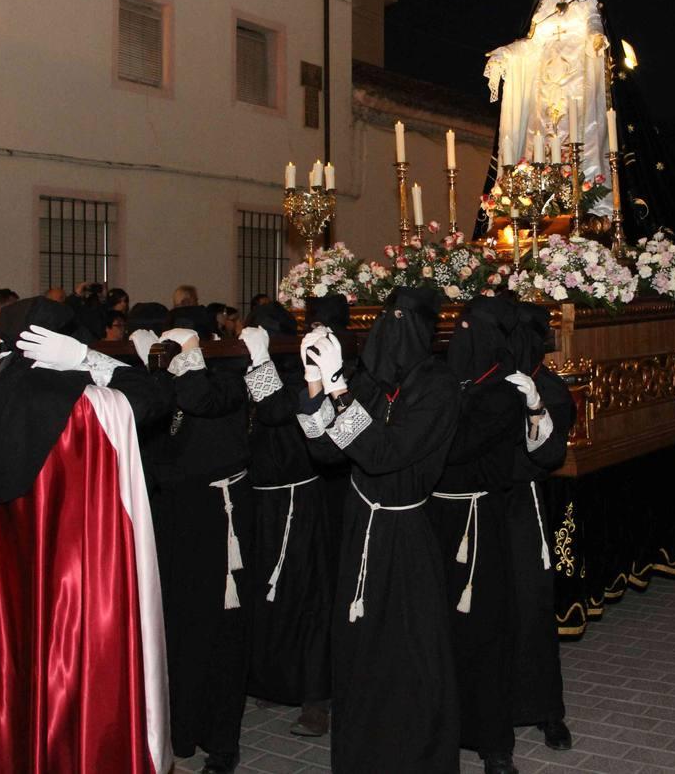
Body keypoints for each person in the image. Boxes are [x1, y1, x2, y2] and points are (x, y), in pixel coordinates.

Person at [0, 297, 172, 773]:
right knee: (72, 666)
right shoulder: (89, 408)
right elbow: (157, 400)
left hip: (11, 584)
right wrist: (90, 361)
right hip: (78, 583)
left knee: (18, 662)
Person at [297, 287, 461, 774]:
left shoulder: (438, 388)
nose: (393, 329)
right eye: (387, 318)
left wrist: (339, 389)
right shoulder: (373, 382)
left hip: (404, 534)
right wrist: (314, 386)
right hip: (360, 525)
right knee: (357, 648)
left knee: (408, 654)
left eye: (403, 320)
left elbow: (384, 453)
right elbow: (325, 452)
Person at [140, 307, 253, 774]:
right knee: (178, 630)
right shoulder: (167, 374)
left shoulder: (228, 373)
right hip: (175, 517)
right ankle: (180, 730)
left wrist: (190, 359)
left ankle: (222, 743)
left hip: (218, 521)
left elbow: (203, 400)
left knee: (220, 635)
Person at [429, 295, 531, 774]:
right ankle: (438, 730)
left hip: (479, 522)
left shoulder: (505, 393)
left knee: (484, 630)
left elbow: (455, 447)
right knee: (437, 629)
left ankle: (493, 742)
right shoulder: (446, 381)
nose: (464, 336)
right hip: (433, 520)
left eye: (475, 328)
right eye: (460, 325)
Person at [241, 302, 336, 739]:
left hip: (301, 498)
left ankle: (316, 697)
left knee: (307, 596)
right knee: (267, 592)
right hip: (262, 499)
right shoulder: (247, 369)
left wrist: (263, 361)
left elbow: (279, 409)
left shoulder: (304, 370)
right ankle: (275, 679)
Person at [485, 0, 610, 211]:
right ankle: (538, 202)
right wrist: (507, 53)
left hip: (576, 85)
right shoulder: (545, 8)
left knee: (576, 138)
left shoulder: (585, 2)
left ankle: (583, 202)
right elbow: (532, 45)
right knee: (542, 139)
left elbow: (593, 24)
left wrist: (595, 37)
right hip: (546, 89)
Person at [504, 300, 575, 752]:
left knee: (531, 610)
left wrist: (532, 408)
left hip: (523, 508)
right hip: (484, 506)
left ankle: (547, 711)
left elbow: (548, 451)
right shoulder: (487, 380)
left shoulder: (549, 387)